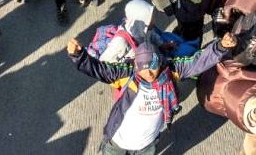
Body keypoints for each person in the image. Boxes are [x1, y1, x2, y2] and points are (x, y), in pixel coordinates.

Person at [66, 34, 237, 155]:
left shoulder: (171, 70)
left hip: (147, 146)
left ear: (160, 61)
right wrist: (79, 56)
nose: (148, 73)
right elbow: (100, 70)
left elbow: (198, 61)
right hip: (116, 143)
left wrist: (220, 47)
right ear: (136, 66)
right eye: (143, 68)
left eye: (153, 66)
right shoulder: (127, 73)